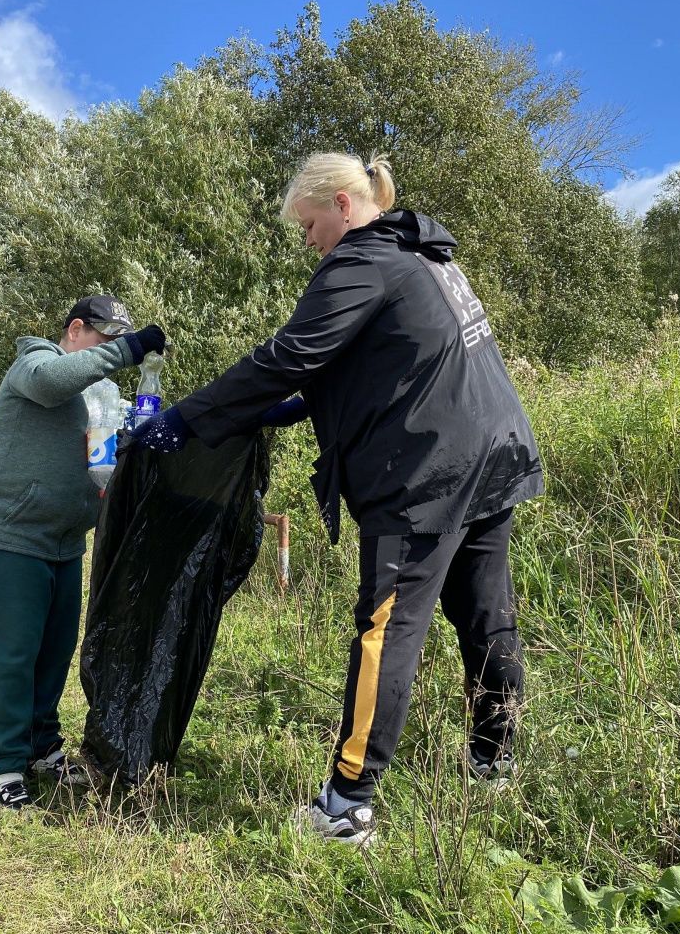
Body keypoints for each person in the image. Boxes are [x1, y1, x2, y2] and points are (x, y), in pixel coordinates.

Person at [130, 153, 543, 845]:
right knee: (486, 616)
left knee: (388, 628)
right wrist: (278, 412)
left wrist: (187, 419)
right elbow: (387, 361)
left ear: (343, 206)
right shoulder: (423, 254)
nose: (310, 242)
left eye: (310, 225)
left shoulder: (362, 259)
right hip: (493, 454)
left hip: (427, 474)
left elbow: (290, 355)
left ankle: (347, 806)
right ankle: (493, 762)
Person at [0, 295, 165, 808]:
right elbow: (51, 382)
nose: (112, 351)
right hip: (10, 536)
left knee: (52, 654)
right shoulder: (34, 364)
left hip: (65, 543)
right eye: (106, 339)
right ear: (75, 329)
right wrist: (129, 350)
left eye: (119, 342)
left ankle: (40, 748)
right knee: (11, 655)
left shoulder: (98, 394)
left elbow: (116, 448)